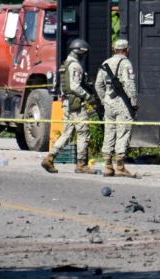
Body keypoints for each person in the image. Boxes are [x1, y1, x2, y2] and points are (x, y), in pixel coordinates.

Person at [41, 38, 97, 174]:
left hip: (67, 103)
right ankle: (81, 164)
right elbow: (74, 86)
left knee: (68, 133)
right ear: (80, 52)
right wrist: (89, 97)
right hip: (76, 104)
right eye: (84, 54)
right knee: (83, 132)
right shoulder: (76, 66)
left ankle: (50, 157)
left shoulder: (65, 64)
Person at [95, 39, 138, 177]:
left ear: (114, 49)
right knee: (123, 132)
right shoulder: (126, 63)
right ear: (126, 49)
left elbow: (98, 85)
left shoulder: (105, 63)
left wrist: (104, 99)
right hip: (123, 104)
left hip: (109, 104)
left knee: (109, 131)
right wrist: (134, 103)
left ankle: (108, 165)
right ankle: (120, 166)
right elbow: (129, 85)